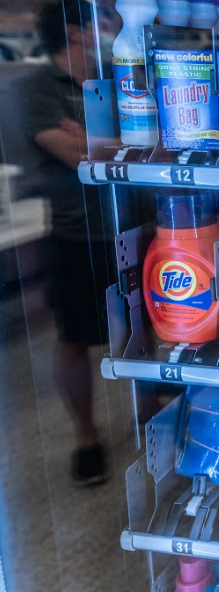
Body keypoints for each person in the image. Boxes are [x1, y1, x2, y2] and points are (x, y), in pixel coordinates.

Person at [18, 0, 114, 485]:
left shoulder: (115, 76)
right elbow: (73, 155)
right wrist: (112, 141)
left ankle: (154, 404)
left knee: (147, 326)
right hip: (74, 233)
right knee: (74, 340)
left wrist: (92, 139)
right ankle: (86, 437)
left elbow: (156, 138)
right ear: (77, 33)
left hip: (128, 226)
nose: (111, 30)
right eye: (103, 21)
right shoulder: (35, 87)